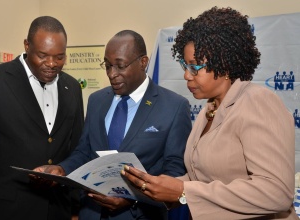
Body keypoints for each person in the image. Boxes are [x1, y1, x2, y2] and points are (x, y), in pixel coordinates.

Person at [121, 7, 298, 220]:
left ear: (223, 64)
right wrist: (157, 186)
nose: (186, 75)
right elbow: (205, 178)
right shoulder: (209, 109)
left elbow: (276, 192)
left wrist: (184, 191)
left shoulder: (258, 102)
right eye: (185, 65)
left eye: (195, 67)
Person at [34, 30, 192, 220]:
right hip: (92, 212)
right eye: (107, 66)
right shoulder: (97, 100)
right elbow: (84, 152)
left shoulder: (173, 106)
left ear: (143, 62)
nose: (111, 74)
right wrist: (62, 170)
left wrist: (132, 197)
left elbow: (174, 172)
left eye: (120, 66)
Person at [0, 16, 84, 220]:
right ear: (27, 45)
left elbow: (76, 148)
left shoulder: (73, 88)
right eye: (43, 55)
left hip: (57, 210)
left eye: (60, 57)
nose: (52, 64)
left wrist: (75, 207)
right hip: (7, 211)